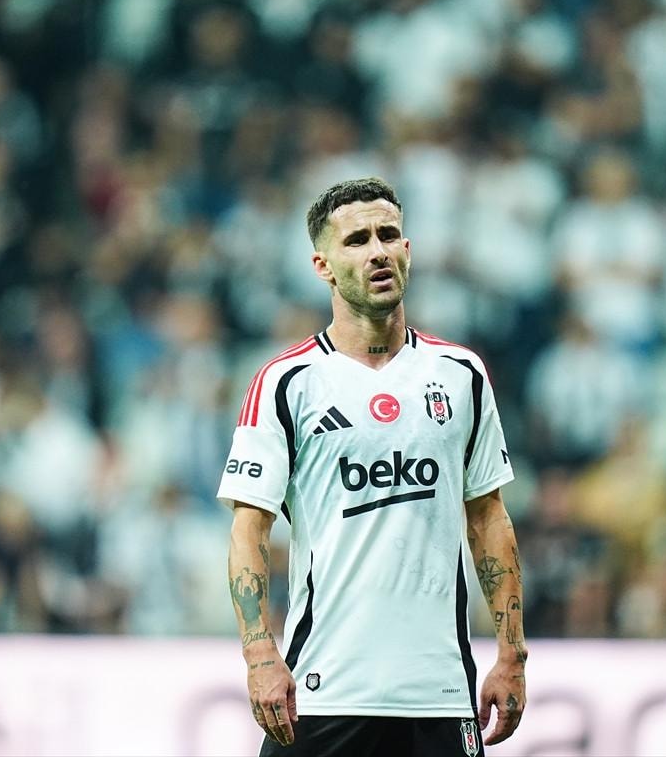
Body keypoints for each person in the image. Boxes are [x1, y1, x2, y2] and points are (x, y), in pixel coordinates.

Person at [218, 177, 527, 756]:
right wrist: (260, 654)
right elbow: (249, 529)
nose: (378, 251)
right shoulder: (287, 383)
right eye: (357, 240)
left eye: (388, 235)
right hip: (325, 688)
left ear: (407, 250)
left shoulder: (460, 375)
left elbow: (489, 518)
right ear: (324, 266)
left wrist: (512, 654)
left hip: (439, 693)